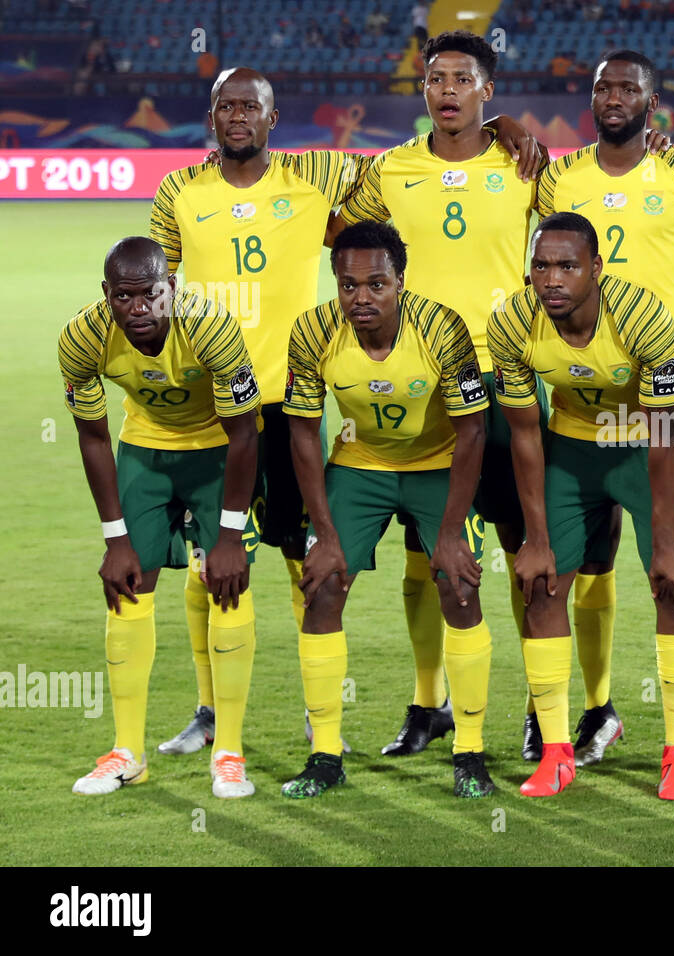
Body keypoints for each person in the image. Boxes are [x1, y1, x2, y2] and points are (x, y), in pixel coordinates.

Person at [336, 31, 550, 759]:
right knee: (422, 551)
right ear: (422, 91)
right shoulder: (390, 170)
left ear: (487, 91)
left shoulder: (524, 165)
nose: (447, 89)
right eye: (436, 78)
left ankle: (536, 707)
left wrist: (512, 132)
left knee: (526, 547)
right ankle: (429, 704)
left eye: (463, 78)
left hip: (506, 374)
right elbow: (338, 234)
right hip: (421, 380)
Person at [150, 68, 370, 757]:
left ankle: (318, 712)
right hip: (211, 403)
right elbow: (155, 286)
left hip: (289, 403)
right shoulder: (178, 191)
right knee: (204, 561)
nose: (236, 115)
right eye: (225, 106)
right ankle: (210, 710)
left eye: (250, 106)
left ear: (273, 119)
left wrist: (501, 128)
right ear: (211, 117)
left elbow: (413, 167)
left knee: (303, 555)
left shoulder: (312, 178)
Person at [534, 49, 674, 765]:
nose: (614, 97)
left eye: (629, 87)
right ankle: (593, 709)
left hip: (667, 392)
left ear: (654, 99)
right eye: (603, 87)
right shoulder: (560, 175)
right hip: (578, 399)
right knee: (582, 565)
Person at [488, 212, 674, 800]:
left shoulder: (641, 315)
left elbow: (665, 431)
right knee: (541, 582)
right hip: (573, 446)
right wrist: (535, 537)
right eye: (541, 266)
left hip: (645, 443)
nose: (551, 279)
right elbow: (526, 434)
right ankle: (557, 753)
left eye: (566, 266)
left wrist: (664, 539)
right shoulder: (511, 322)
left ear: (596, 270)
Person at [281, 222, 492, 798]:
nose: (361, 298)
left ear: (401, 281)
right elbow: (303, 434)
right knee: (322, 585)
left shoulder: (443, 327)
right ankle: (325, 754)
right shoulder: (313, 331)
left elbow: (473, 431)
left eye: (376, 283)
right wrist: (323, 534)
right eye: (348, 285)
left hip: (439, 463)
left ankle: (469, 751)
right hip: (359, 465)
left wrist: (450, 535)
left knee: (460, 585)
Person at [60, 237, 261, 798]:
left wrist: (228, 534)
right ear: (108, 296)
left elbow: (246, 432)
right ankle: (128, 752)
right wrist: (115, 538)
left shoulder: (213, 327)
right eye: (124, 297)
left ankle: (229, 753)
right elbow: (93, 436)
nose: (139, 308)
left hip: (218, 448)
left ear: (170, 288)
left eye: (150, 294)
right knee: (127, 585)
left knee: (227, 583)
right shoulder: (81, 338)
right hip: (145, 451)